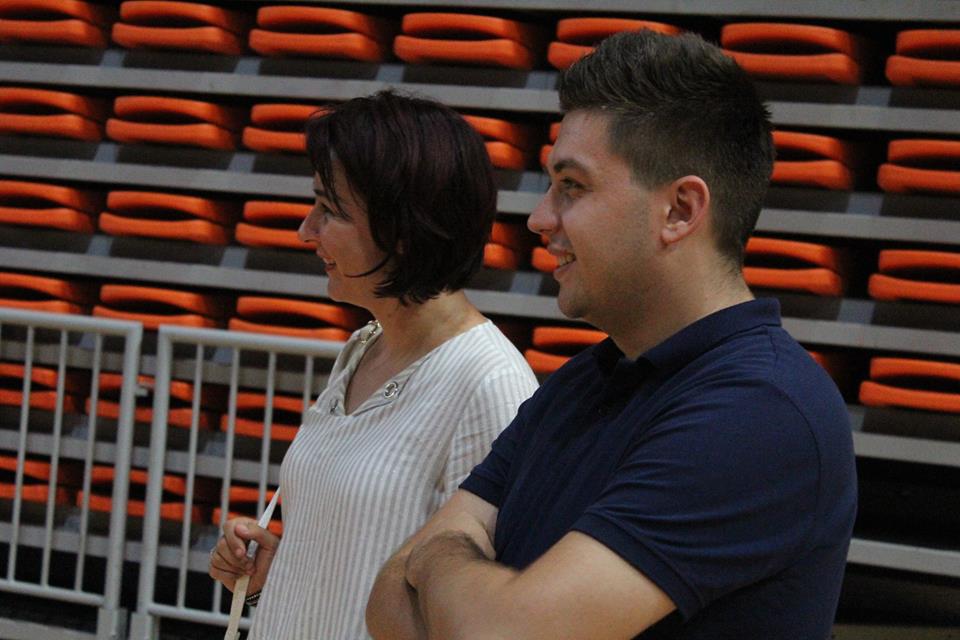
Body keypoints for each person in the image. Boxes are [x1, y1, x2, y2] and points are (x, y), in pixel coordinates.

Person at [366, 30, 857, 640]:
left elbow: (503, 633)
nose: (539, 218)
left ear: (680, 210)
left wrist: (441, 552)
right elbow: (386, 603)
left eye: (572, 186)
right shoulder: (581, 382)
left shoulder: (759, 411)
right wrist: (467, 587)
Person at [207, 90, 538, 639]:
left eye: (330, 211)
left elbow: (473, 617)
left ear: (404, 229)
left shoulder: (491, 384)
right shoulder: (364, 346)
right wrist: (276, 579)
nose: (306, 230)